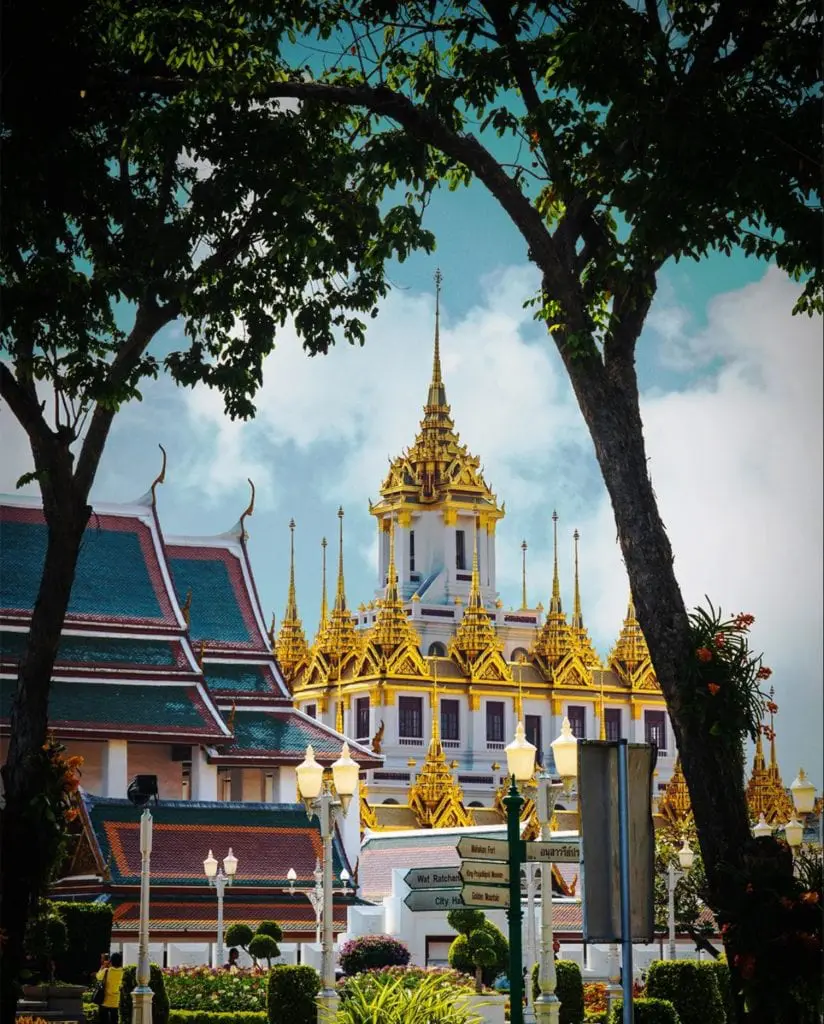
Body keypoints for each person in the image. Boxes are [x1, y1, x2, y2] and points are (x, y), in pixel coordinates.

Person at [95, 951, 124, 1024]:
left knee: (103, 1020)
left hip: (104, 1001)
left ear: (111, 961)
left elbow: (98, 977)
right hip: (115, 1002)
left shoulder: (106, 971)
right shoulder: (122, 972)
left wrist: (103, 967)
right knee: (114, 1020)